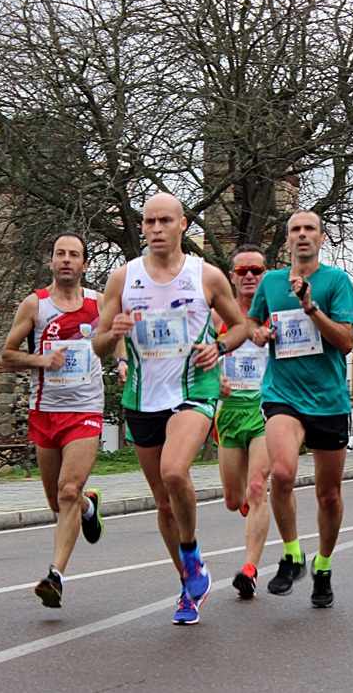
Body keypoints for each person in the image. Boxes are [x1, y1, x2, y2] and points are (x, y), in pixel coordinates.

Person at [94, 192, 250, 625]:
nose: (157, 229)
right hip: (143, 397)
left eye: (165, 221)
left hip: (194, 389)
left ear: (182, 225)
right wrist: (115, 333)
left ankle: (189, 552)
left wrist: (218, 348)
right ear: (142, 228)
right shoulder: (123, 279)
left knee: (174, 471)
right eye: (149, 222)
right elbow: (99, 342)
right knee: (163, 503)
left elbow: (240, 326)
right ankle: (188, 580)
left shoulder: (207, 276)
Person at [250, 210, 353, 608]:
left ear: (322, 238)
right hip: (283, 394)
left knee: (328, 495)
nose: (302, 235)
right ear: (288, 239)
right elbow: (253, 326)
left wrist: (311, 307)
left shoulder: (336, 282)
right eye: (295, 230)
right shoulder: (271, 282)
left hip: (328, 400)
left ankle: (323, 565)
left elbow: (346, 341)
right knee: (281, 473)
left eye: (309, 229)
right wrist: (259, 333)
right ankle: (292, 553)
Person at [1, 232, 110, 609]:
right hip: (45, 410)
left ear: (84, 264)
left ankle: (55, 576)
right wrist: (41, 360)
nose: (66, 260)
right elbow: (7, 355)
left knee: (67, 491)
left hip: (85, 409)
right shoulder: (35, 305)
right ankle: (88, 507)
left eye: (74, 254)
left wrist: (125, 361)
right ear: (51, 262)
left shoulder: (98, 303)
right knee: (57, 501)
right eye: (60, 254)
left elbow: (118, 337)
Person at [211, 245, 272, 600]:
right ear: (232, 276)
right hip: (230, 412)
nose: (249, 275)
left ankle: (249, 569)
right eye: (242, 270)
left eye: (256, 269)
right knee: (234, 499)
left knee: (256, 487)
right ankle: (250, 510)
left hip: (265, 410)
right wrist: (211, 383)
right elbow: (200, 359)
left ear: (264, 274)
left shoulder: (275, 314)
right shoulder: (220, 317)